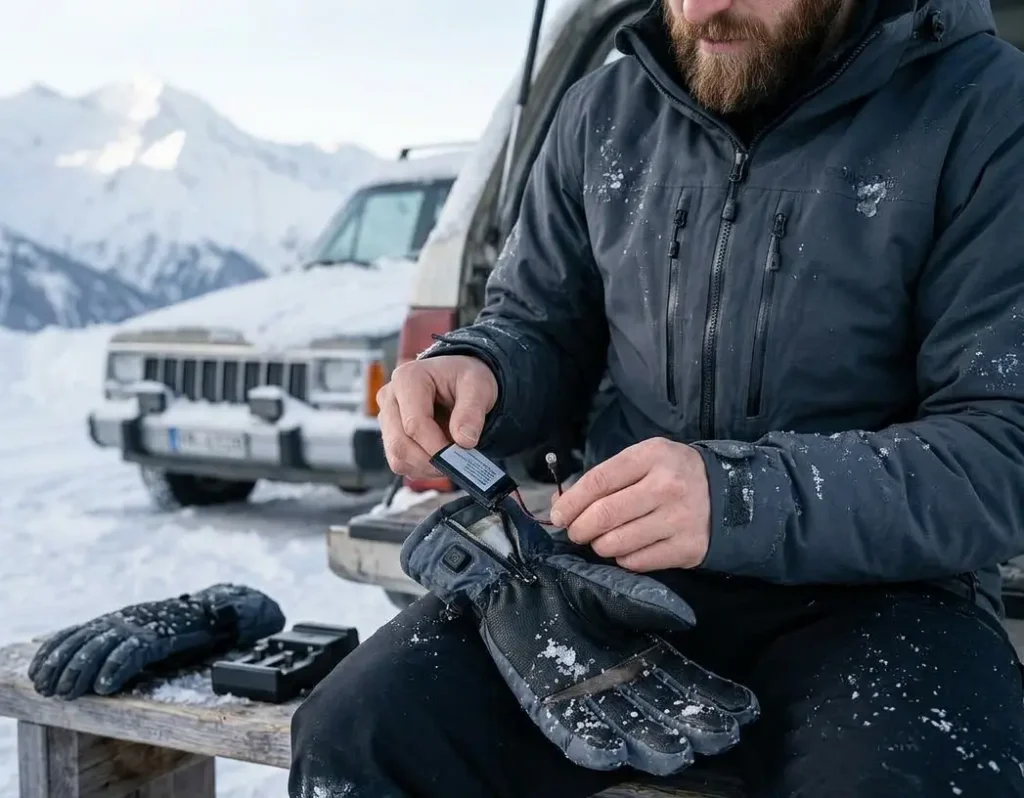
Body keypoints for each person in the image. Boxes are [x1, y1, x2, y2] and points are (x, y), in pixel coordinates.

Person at [289, 0, 1024, 795]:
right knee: (359, 734)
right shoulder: (602, 113)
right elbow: (540, 327)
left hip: (890, 596)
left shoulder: (986, 111)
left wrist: (733, 499)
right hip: (614, 581)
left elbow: (1001, 445)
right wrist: (481, 373)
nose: (700, 10)